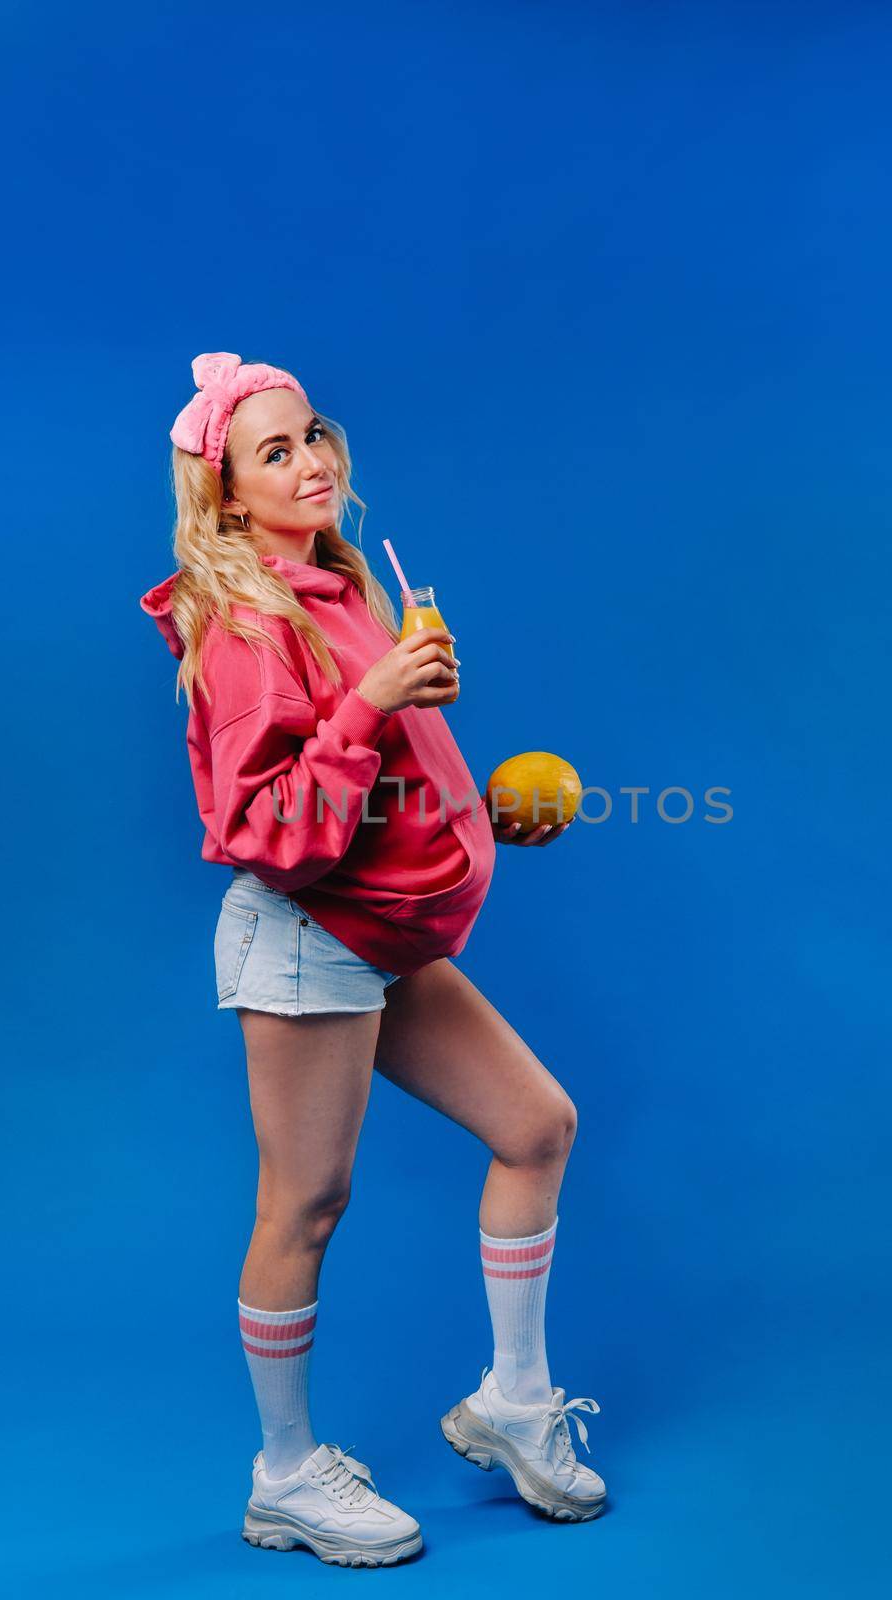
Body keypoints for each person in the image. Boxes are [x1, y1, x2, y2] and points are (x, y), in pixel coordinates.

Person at [139, 351, 605, 1569]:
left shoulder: (344, 585)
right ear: (229, 496)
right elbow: (268, 833)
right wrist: (371, 704)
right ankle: (284, 1474)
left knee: (536, 1126)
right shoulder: (246, 621)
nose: (312, 462)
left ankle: (510, 1401)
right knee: (305, 1203)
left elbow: (379, 784)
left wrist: (478, 810)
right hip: (307, 943)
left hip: (383, 939)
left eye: (316, 437)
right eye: (275, 452)